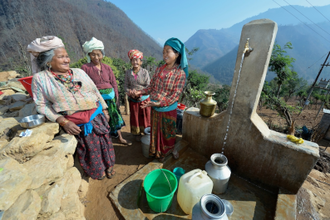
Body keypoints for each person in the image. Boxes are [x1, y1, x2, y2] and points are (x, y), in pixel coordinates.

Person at [28, 36, 116, 180]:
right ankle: (98, 171)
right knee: (90, 149)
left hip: (97, 115)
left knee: (105, 142)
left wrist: (105, 109)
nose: (67, 60)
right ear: (49, 61)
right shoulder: (40, 79)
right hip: (77, 123)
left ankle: (109, 164)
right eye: (61, 57)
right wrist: (63, 121)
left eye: (67, 56)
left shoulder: (79, 72)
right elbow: (41, 105)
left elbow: (95, 90)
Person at [129, 37, 188, 162]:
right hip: (155, 107)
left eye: (168, 51)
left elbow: (174, 96)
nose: (164, 54)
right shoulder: (159, 69)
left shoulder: (180, 74)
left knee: (168, 133)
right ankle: (158, 152)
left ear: (177, 54)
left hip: (168, 109)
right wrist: (140, 92)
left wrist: (157, 103)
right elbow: (151, 87)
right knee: (156, 132)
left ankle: (169, 150)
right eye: (163, 52)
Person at [81, 37, 132, 146]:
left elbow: (114, 83)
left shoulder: (107, 68)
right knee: (102, 119)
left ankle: (120, 138)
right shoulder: (85, 68)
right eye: (93, 54)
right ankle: (105, 141)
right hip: (97, 99)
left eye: (98, 54)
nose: (96, 57)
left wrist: (117, 98)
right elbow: (85, 85)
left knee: (115, 117)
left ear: (102, 55)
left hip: (111, 99)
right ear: (89, 55)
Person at [125, 50, 151, 140]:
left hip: (144, 99)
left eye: (137, 60)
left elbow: (148, 86)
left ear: (141, 62)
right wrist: (130, 93)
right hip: (133, 99)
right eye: (133, 60)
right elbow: (126, 86)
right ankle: (137, 133)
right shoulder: (128, 73)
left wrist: (139, 93)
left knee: (145, 116)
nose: (135, 62)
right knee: (135, 116)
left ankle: (146, 132)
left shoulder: (145, 72)